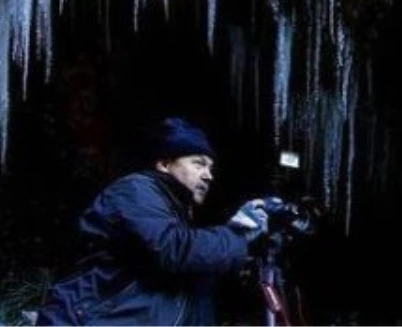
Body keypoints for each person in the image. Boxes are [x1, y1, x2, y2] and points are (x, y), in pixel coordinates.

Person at [35, 117, 272, 326]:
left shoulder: (175, 214)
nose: (209, 175)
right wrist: (238, 236)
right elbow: (174, 249)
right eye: (198, 163)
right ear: (165, 164)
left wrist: (242, 240)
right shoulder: (134, 190)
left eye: (211, 167)